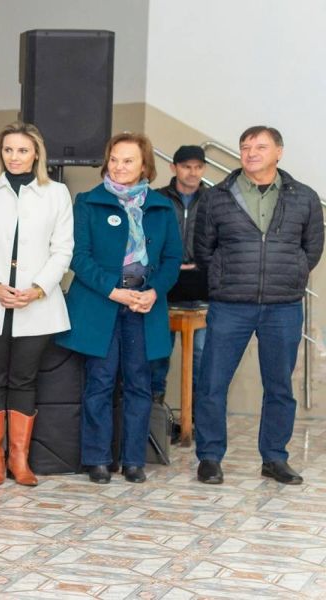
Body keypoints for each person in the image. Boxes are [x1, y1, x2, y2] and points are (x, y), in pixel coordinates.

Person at [193, 126, 323, 486]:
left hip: (283, 306)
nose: (251, 152)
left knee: (279, 385)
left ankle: (275, 458)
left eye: (260, 146)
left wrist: (293, 272)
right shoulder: (217, 197)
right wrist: (224, 275)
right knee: (213, 382)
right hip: (230, 304)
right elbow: (203, 249)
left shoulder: (305, 197)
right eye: (245, 146)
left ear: (279, 152)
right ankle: (209, 457)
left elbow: (311, 248)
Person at [57, 132, 181, 485]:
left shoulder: (161, 206)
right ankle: (96, 459)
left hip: (145, 306)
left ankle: (133, 461)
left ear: (144, 166)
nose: (119, 166)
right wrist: (113, 291)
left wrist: (154, 291)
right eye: (114, 159)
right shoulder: (87, 202)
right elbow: (78, 257)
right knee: (100, 382)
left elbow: (172, 259)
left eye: (128, 160)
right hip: (102, 305)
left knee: (141, 385)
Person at [0, 122, 73, 487]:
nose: (15, 157)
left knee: (24, 381)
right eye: (8, 150)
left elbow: (63, 249)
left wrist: (38, 288)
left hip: (36, 304)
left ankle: (18, 461)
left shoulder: (56, 193)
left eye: (23, 150)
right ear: (0, 152)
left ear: (36, 153)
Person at [150, 145, 210, 404]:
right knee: (158, 355)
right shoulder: (157, 199)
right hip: (163, 287)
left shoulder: (213, 200)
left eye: (198, 167)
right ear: (173, 168)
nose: (192, 172)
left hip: (202, 288)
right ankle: (156, 419)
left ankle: (195, 419)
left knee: (201, 357)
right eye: (186, 166)